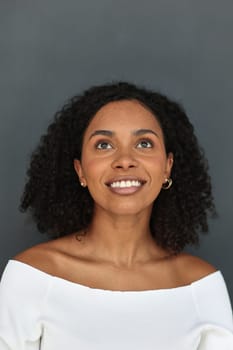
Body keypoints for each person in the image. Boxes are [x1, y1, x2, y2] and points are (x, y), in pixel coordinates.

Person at [0, 81, 232, 349]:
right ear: (80, 171)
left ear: (167, 167)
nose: (125, 159)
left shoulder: (201, 287)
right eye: (103, 145)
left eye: (144, 143)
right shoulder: (32, 278)